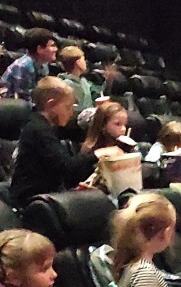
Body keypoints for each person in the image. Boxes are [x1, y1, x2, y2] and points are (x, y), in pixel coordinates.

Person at [10, 77, 120, 208]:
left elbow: (57, 171)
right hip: (32, 202)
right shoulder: (38, 130)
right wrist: (98, 153)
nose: (71, 113)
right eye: (68, 107)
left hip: (50, 194)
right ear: (51, 104)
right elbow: (66, 168)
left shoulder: (46, 125)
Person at [0, 28, 58, 101]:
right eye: (52, 46)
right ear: (39, 49)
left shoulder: (44, 64)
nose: (56, 49)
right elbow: (23, 97)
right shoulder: (23, 66)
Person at [58, 46, 99, 113]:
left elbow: (94, 94)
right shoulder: (68, 85)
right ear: (78, 62)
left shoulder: (83, 81)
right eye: (83, 60)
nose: (85, 62)